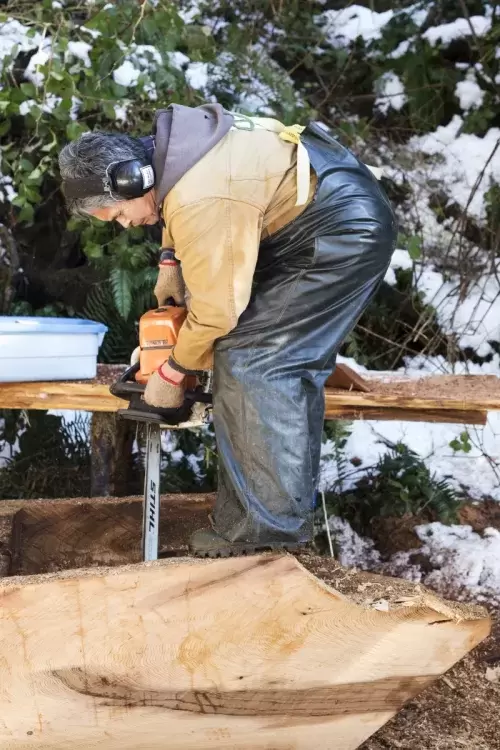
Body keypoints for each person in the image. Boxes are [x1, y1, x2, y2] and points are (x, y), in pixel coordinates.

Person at [59, 103, 397, 557]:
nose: (126, 224)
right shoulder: (172, 153)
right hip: (315, 219)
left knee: (258, 361)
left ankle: (268, 532)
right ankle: (257, 518)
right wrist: (170, 260)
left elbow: (218, 312)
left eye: (118, 214)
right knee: (253, 354)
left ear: (132, 178)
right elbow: (187, 205)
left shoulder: (201, 197)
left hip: (338, 234)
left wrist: (173, 372)